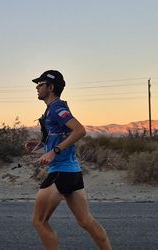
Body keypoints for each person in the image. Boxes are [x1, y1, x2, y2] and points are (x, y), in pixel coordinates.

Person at [30, 70, 112, 250]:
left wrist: (54, 152)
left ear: (50, 87)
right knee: (85, 221)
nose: (36, 87)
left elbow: (79, 130)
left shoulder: (57, 108)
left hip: (61, 172)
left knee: (39, 221)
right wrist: (40, 145)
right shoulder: (51, 110)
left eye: (40, 84)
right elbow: (58, 135)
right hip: (72, 172)